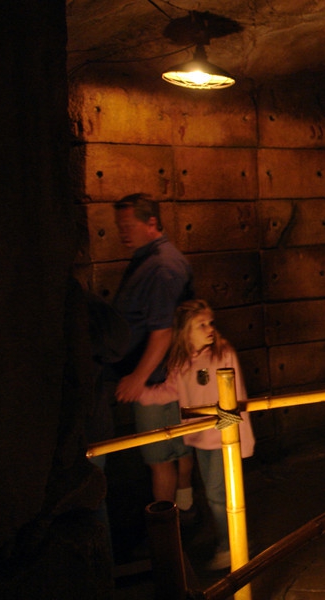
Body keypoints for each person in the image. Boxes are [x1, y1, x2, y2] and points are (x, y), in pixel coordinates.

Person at [122, 299, 255, 571]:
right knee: (215, 493)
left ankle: (231, 547)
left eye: (210, 323)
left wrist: (243, 439)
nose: (209, 329)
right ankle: (231, 542)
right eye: (201, 324)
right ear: (185, 331)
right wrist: (140, 393)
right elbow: (171, 391)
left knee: (218, 494)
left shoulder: (222, 352)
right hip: (200, 438)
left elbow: (238, 393)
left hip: (223, 437)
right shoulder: (182, 360)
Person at [109, 193, 196, 515]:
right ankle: (184, 511)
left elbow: (162, 332)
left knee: (159, 459)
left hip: (155, 381)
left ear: (152, 223)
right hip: (162, 377)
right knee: (175, 451)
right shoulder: (153, 259)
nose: (122, 232)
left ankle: (166, 533)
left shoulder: (160, 266)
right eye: (119, 225)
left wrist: (137, 379)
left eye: (127, 224)